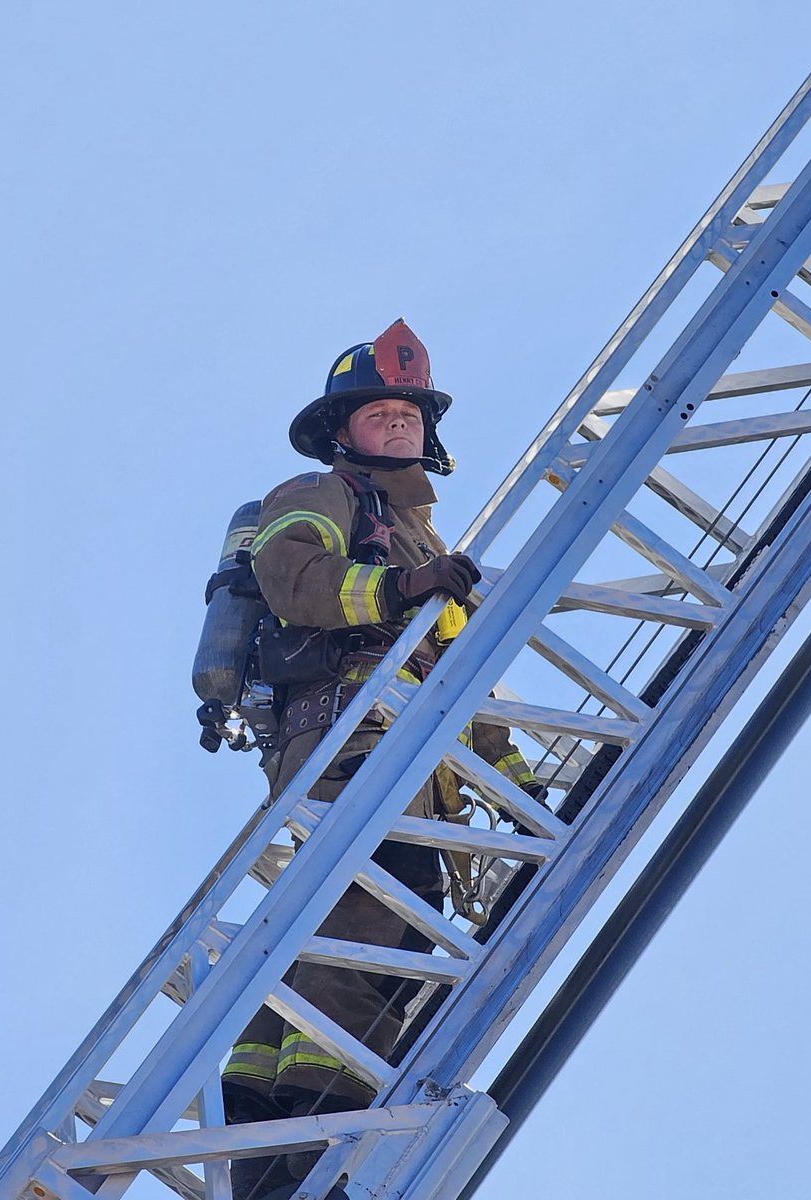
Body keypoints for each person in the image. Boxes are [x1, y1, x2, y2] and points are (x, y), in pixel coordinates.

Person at [221, 319, 540, 1200]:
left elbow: (467, 687)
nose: (398, 424)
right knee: (375, 921)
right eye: (379, 412)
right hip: (346, 749)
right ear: (342, 431)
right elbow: (291, 578)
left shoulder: (434, 552)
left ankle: (268, 1135)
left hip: (413, 769)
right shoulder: (319, 495)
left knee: (384, 926)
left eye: (409, 412)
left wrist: (522, 791)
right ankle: (320, 1121)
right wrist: (395, 590)